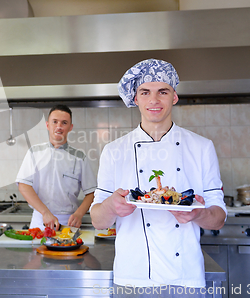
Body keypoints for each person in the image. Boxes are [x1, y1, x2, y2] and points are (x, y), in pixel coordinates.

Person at [90, 59, 226, 297]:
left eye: (162, 91)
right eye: (145, 92)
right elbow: (98, 221)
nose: (154, 100)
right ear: (135, 99)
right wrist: (111, 206)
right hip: (131, 278)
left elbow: (218, 220)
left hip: (185, 279)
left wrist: (200, 213)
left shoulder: (202, 147)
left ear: (174, 96)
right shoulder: (114, 151)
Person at [16, 105, 97, 230]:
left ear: (70, 127)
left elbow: (91, 192)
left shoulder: (79, 157)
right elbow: (24, 185)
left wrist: (79, 214)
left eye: (64, 123)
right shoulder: (34, 152)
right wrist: (45, 212)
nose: (59, 126)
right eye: (55, 122)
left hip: (69, 223)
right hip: (40, 221)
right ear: (47, 125)